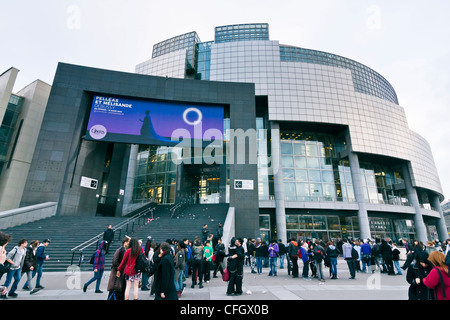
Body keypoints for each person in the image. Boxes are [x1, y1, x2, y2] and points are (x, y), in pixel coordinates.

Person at [107, 236, 130, 300]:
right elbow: (114, 261)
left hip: (121, 273)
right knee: (116, 288)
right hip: (117, 273)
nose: (128, 243)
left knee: (120, 288)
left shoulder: (125, 250)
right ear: (124, 242)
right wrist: (119, 268)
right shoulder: (120, 250)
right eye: (127, 242)